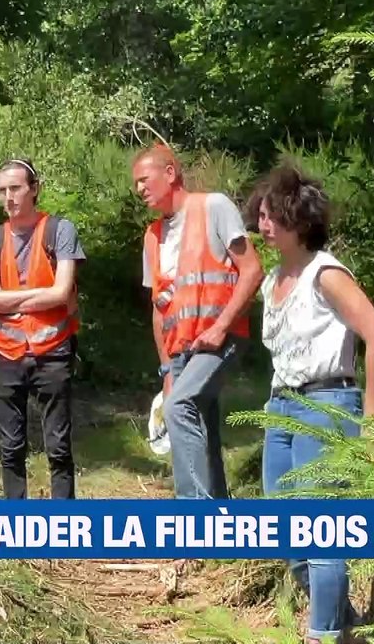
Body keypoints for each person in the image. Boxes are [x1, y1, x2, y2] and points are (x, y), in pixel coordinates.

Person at [247, 164, 374, 644]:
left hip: (327, 403)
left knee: (322, 531)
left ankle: (321, 634)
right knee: (284, 530)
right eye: (260, 216)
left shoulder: (325, 274)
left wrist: (371, 422)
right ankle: (343, 623)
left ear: (299, 219)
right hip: (280, 408)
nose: (262, 225)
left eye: (271, 216)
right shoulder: (273, 279)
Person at [132, 143, 263, 500]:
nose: (140, 189)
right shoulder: (152, 236)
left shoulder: (213, 207)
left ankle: (194, 522)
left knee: (179, 408)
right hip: (181, 349)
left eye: (145, 180)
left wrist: (220, 327)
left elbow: (252, 271)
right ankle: (220, 522)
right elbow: (159, 308)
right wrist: (167, 371)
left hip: (220, 337)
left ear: (170, 174)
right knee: (198, 420)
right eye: (137, 184)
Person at [0, 157, 84, 500]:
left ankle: (64, 524)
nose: (9, 197)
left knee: (58, 446)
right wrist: (40, 296)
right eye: (2, 190)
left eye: (16, 188)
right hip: (4, 353)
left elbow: (62, 292)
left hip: (54, 350)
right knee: (11, 447)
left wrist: (6, 297)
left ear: (34, 189)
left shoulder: (59, 230)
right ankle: (16, 524)